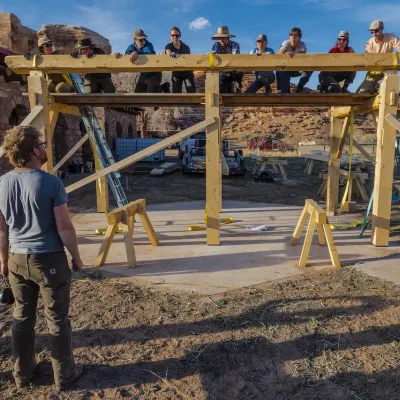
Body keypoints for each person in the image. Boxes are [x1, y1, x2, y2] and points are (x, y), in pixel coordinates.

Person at [0, 125, 84, 392]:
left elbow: (2, 229)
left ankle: (22, 375)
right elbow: (64, 228)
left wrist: (3, 260)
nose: (45, 148)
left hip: (16, 258)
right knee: (57, 318)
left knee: (22, 318)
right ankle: (65, 376)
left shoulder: (2, 183)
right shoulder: (51, 182)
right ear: (34, 150)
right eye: (43, 144)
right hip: (48, 260)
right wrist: (77, 257)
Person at [114, 29, 162, 93]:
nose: (143, 42)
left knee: (150, 95)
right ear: (135, 40)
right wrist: (119, 55)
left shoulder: (148, 45)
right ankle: (163, 87)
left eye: (144, 39)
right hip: (144, 73)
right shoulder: (131, 47)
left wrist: (136, 53)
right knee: (137, 94)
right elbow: (126, 56)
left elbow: (149, 54)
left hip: (155, 72)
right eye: (141, 40)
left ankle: (162, 88)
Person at [360, 20, 400, 93]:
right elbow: (369, 59)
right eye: (372, 32)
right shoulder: (369, 43)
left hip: (388, 68)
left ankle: (378, 88)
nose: (374, 34)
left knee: (390, 90)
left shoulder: (391, 37)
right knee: (362, 91)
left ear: (382, 28)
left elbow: (399, 45)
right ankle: (375, 87)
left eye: (376, 31)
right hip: (375, 69)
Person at [276, 27, 312, 93]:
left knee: (310, 68)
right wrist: (285, 54)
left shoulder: (302, 45)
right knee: (280, 69)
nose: (293, 37)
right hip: (286, 69)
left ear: (299, 37)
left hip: (296, 69)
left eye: (296, 36)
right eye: (291, 35)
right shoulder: (286, 43)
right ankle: (284, 91)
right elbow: (280, 53)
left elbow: (303, 58)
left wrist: (295, 56)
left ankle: (299, 88)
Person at [211, 26, 244, 93]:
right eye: (219, 38)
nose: (221, 40)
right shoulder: (216, 45)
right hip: (222, 74)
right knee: (221, 91)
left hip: (234, 71)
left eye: (223, 37)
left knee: (239, 72)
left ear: (228, 37)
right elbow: (214, 58)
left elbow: (235, 58)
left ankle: (238, 84)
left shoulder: (235, 45)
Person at [165, 27, 196, 93]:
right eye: (173, 35)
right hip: (176, 72)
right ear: (170, 36)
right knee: (176, 91)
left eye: (177, 35)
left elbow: (189, 59)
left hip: (187, 72)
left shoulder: (186, 47)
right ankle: (176, 103)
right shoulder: (169, 46)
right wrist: (170, 54)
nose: (175, 37)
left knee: (191, 90)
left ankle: (193, 103)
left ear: (180, 36)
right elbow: (168, 52)